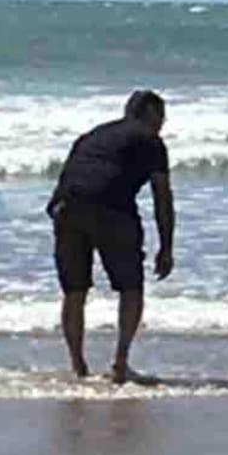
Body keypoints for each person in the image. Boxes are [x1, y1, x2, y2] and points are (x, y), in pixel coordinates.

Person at [46, 90, 175, 384]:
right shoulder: (150, 140)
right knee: (131, 287)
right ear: (148, 115)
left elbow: (69, 174)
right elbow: (162, 196)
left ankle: (78, 367)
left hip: (66, 207)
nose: (163, 123)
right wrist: (166, 246)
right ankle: (120, 364)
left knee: (74, 290)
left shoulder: (94, 134)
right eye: (161, 116)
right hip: (110, 210)